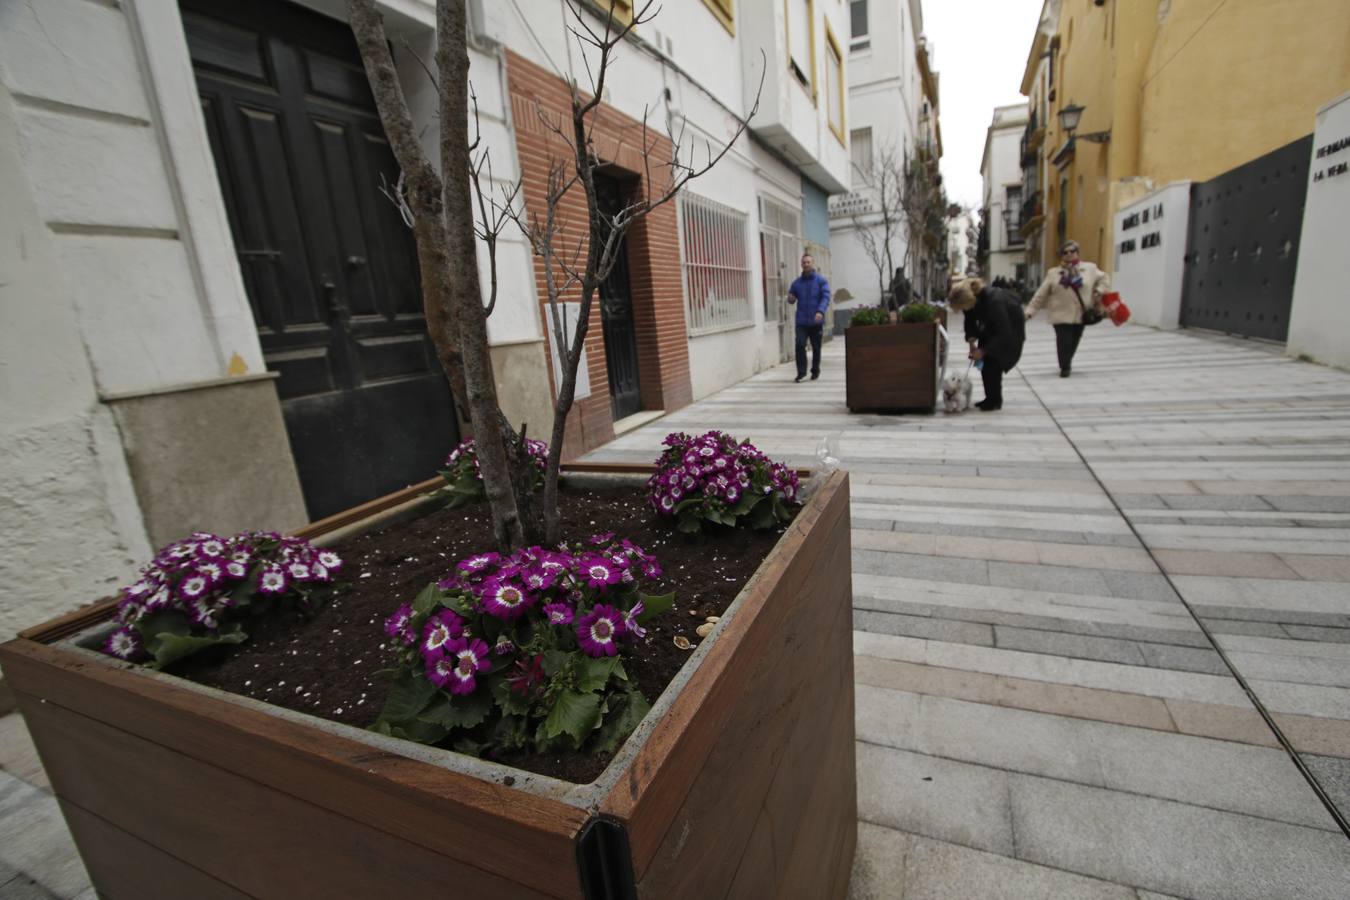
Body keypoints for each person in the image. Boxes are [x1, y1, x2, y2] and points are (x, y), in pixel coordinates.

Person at [1025, 240, 1109, 377]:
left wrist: (1099, 290)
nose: (1069, 254)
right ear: (1061, 255)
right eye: (1065, 252)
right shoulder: (1053, 273)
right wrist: (1030, 311)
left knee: (1074, 340)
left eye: (1072, 251)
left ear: (1077, 253)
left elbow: (1105, 278)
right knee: (1063, 340)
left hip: (1081, 314)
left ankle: (1066, 361)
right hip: (1060, 314)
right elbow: (1041, 294)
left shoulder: (1090, 269)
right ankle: (1065, 366)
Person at [947, 276, 1026, 411]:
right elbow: (969, 321)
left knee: (994, 362)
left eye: (962, 307)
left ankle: (995, 400)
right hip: (990, 329)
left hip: (1010, 331)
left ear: (969, 300)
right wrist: (972, 343)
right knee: (985, 364)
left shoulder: (994, 301)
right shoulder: (972, 302)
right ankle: (990, 398)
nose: (962, 310)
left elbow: (1003, 331)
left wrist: (983, 350)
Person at [787, 253, 831, 382]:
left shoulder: (821, 280)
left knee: (816, 347)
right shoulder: (796, 283)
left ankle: (815, 370)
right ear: (801, 264)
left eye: (808, 262)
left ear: (812, 264)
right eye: (804, 262)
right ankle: (801, 373)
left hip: (816, 320)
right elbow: (791, 297)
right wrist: (790, 298)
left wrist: (820, 311)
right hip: (801, 321)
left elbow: (826, 297)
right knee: (800, 345)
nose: (806, 264)